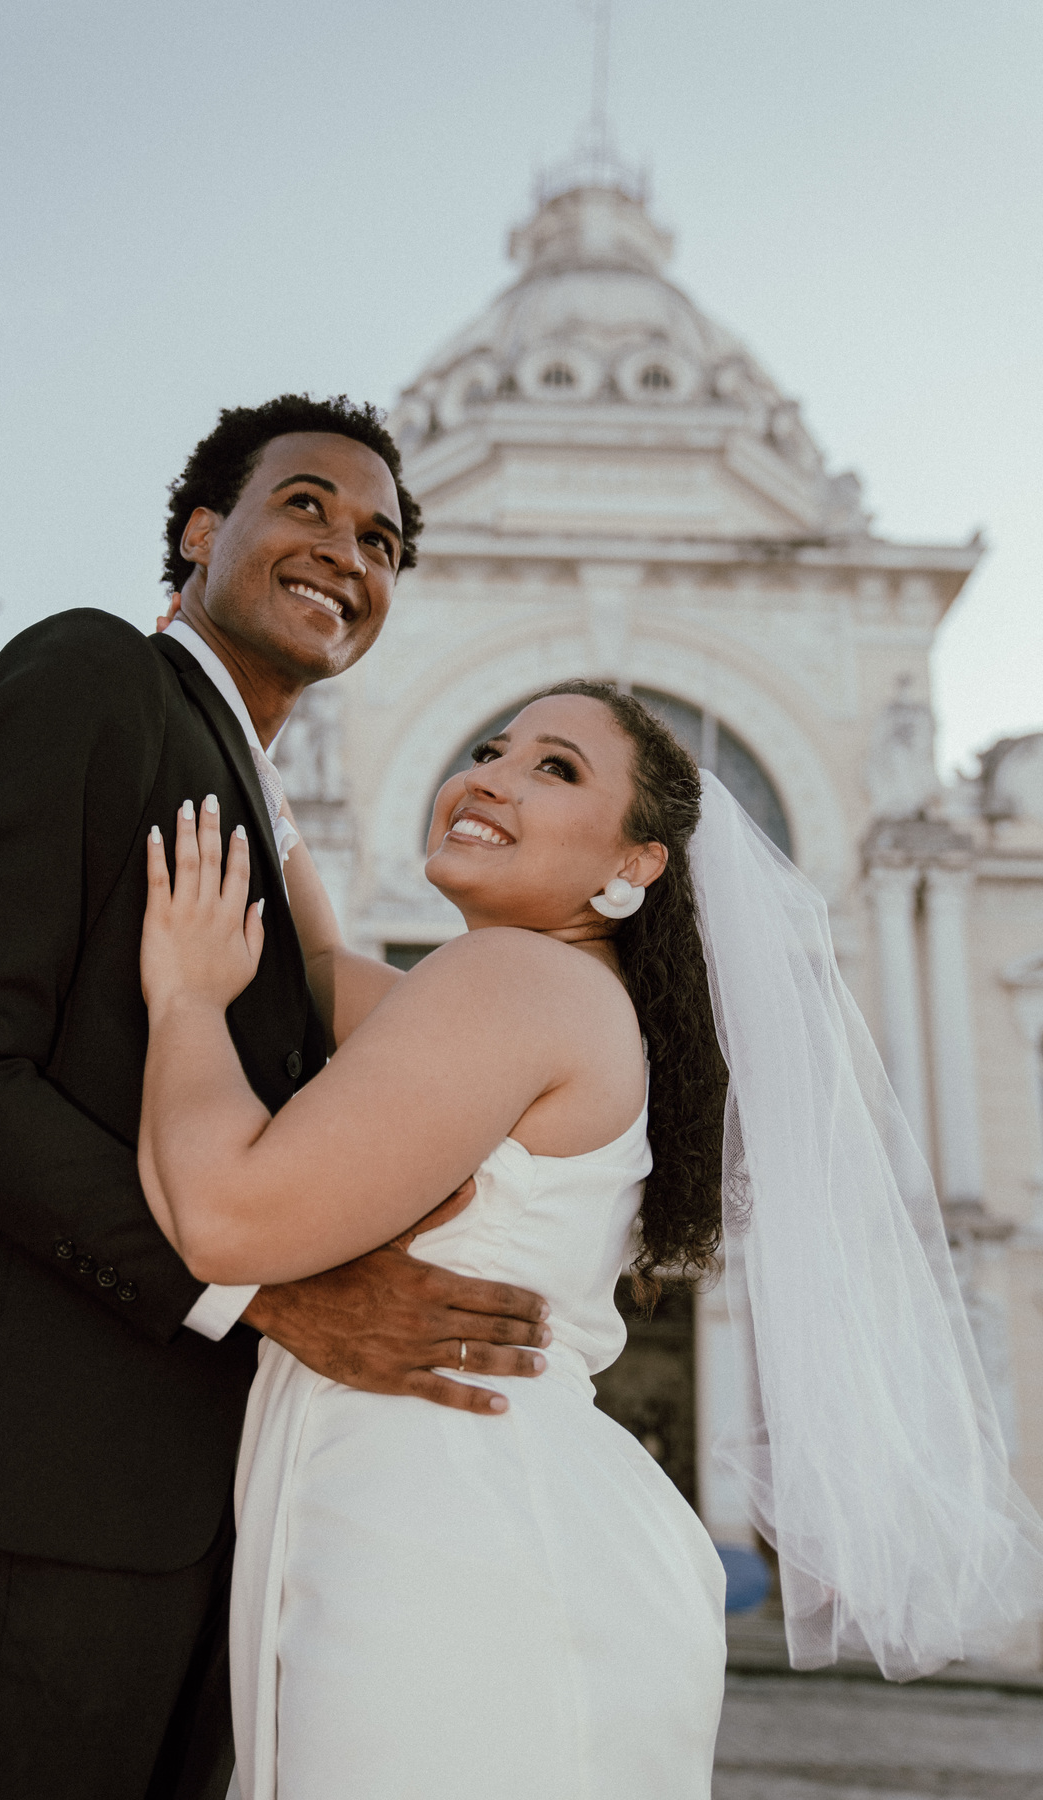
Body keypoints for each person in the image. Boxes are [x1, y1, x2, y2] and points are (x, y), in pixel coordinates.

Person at [140, 684, 1043, 1800]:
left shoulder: (517, 980)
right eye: (490, 748)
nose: (490, 777)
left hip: (449, 1540)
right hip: (483, 1518)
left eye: (556, 768)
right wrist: (259, 773)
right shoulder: (557, 993)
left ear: (635, 864)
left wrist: (185, 1002)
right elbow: (318, 966)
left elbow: (224, 1218)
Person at [0, 394, 551, 1800]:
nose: (347, 550)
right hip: (48, 1474)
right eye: (307, 505)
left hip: (209, 1498)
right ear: (199, 531)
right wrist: (266, 1296)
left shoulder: (267, 810)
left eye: (382, 542)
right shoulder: (92, 676)